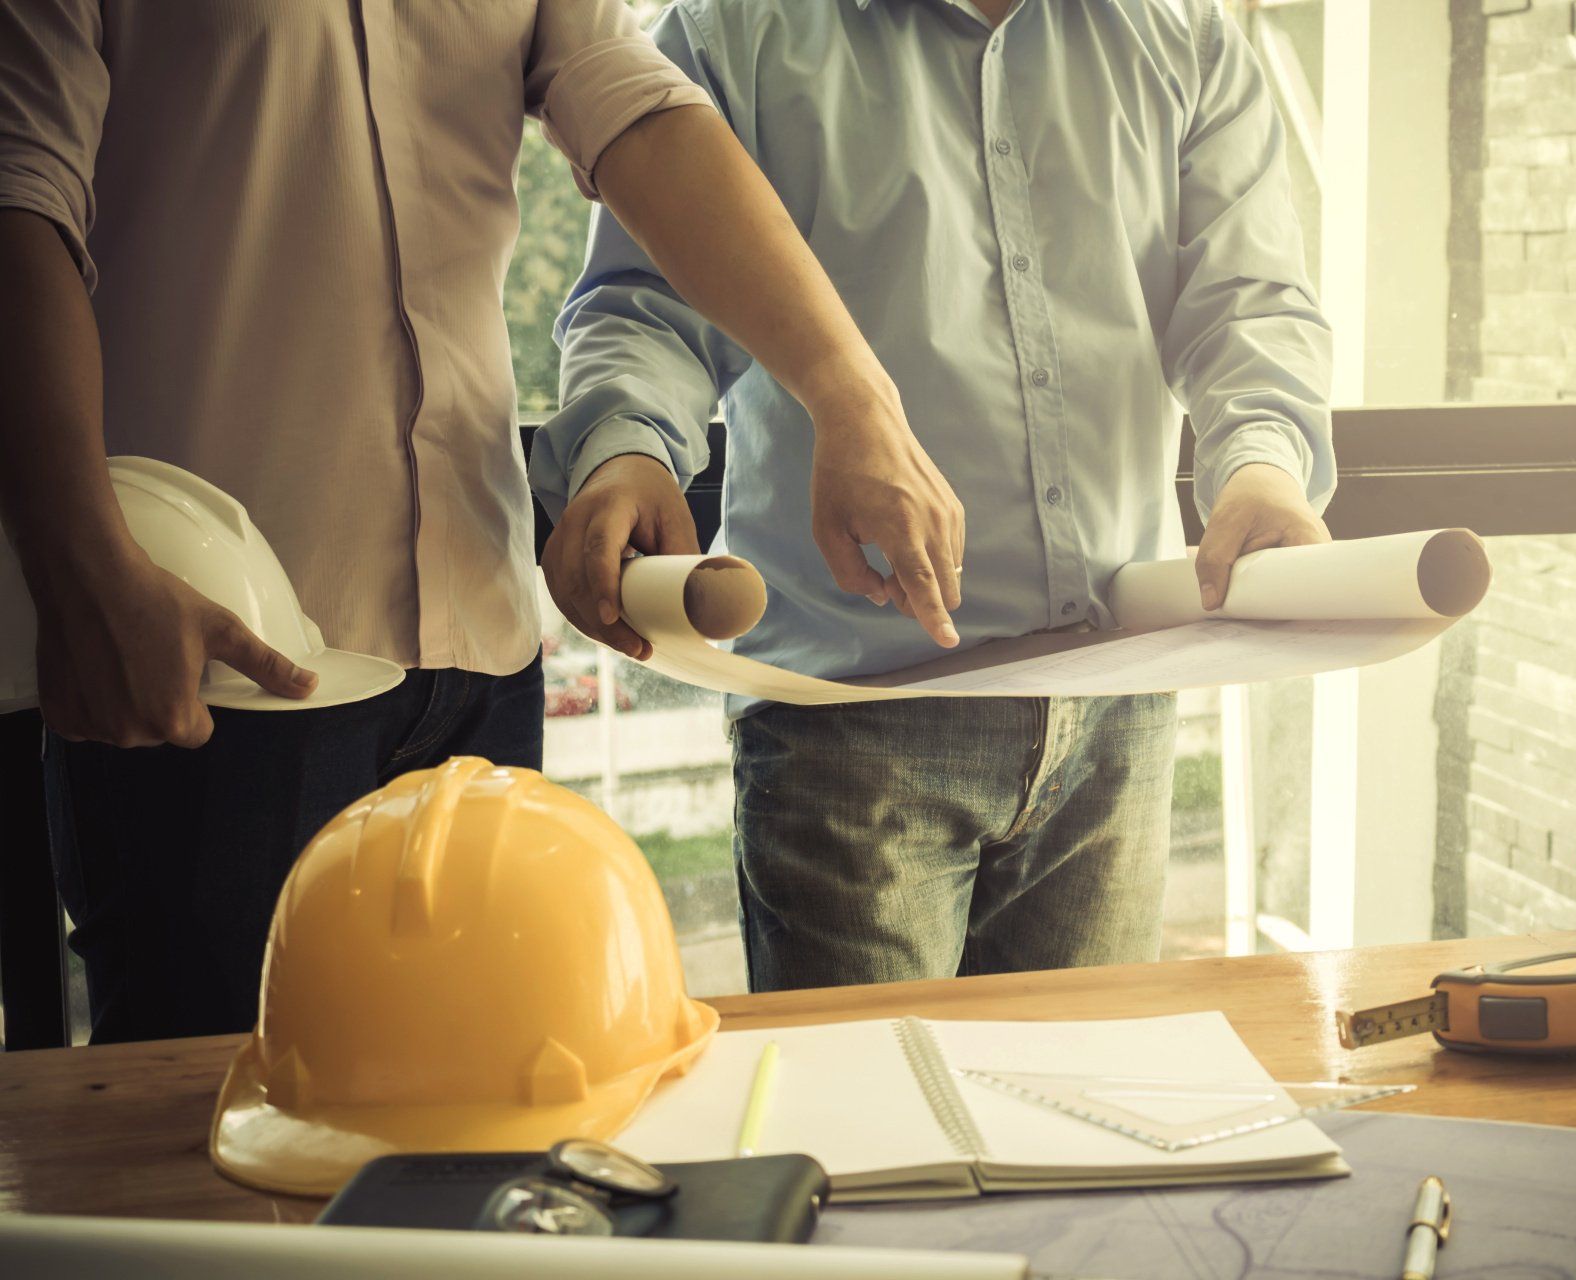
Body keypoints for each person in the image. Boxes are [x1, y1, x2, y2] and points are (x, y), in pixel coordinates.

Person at [0, 0, 961, 1043]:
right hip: (217, 654)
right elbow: (17, 196)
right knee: (216, 1114)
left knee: (486, 1093)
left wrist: (853, 396)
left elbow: (638, 112)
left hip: (480, 649)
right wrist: (78, 558)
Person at [537, 0, 1335, 992]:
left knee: (1081, 1093)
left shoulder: (1190, 38)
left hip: (1115, 707)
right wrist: (627, 448)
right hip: (851, 721)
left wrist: (1262, 460)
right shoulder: (725, 34)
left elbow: (1249, 299)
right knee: (866, 1092)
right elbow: (646, 307)